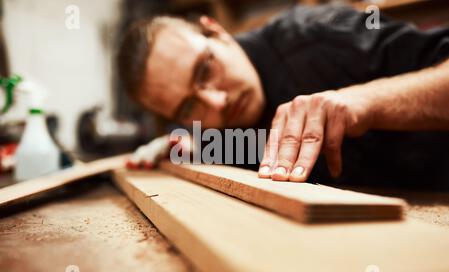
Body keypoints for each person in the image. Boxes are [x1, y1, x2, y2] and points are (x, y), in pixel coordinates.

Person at [118, 4, 449, 189]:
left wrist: (366, 101)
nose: (217, 102)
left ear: (216, 30)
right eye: (189, 106)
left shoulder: (322, 34)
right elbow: (234, 146)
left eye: (205, 70)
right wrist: (189, 147)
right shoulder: (212, 132)